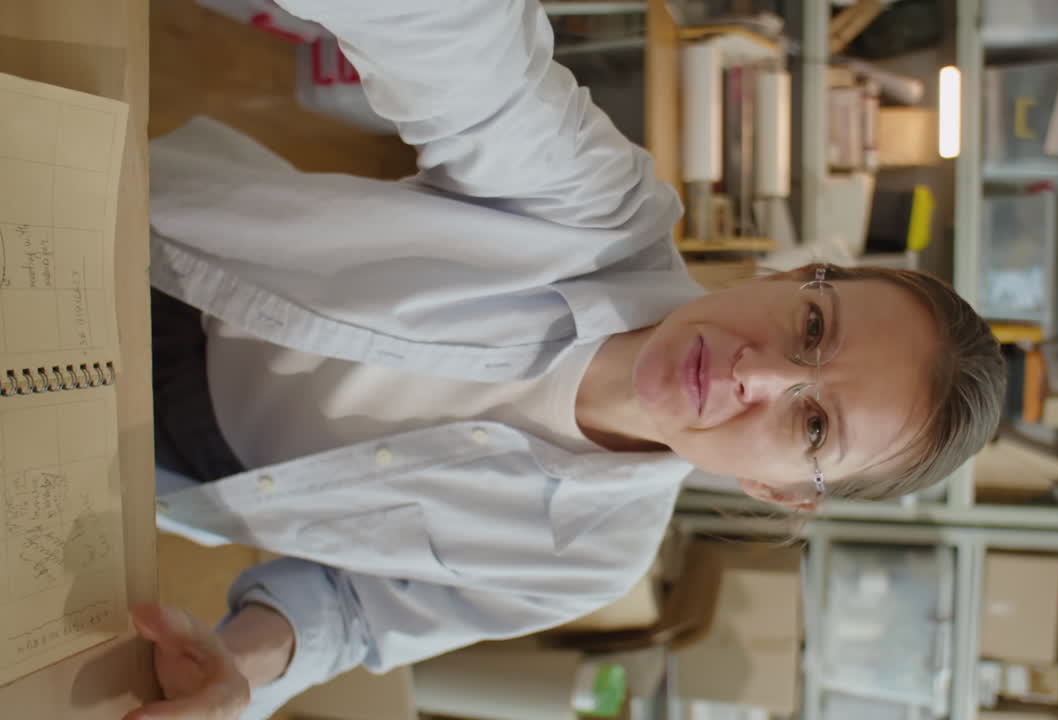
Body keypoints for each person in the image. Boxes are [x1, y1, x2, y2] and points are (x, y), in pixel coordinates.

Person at [127, 2, 1005, 719]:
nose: (759, 375)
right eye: (812, 327)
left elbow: (358, 611)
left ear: (779, 492)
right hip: (141, 258)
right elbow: (471, 59)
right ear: (789, 275)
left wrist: (242, 668)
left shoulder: (589, 559)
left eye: (812, 424)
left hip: (162, 470)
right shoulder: (596, 209)